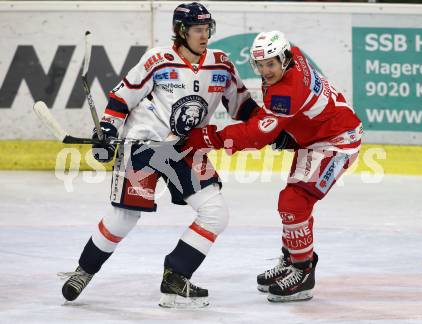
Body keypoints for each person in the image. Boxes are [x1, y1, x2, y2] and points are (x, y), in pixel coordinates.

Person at [59, 2, 258, 308]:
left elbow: (243, 108)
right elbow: (122, 97)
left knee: (215, 212)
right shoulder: (158, 59)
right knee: (124, 217)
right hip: (144, 146)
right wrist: (108, 131)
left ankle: (175, 277)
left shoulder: (221, 65)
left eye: (207, 29)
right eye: (197, 30)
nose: (204, 36)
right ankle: (84, 270)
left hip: (186, 147)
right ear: (181, 31)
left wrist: (274, 126)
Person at [184, 30, 363, 303]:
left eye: (271, 64)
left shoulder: (287, 93)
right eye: (260, 65)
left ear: (284, 59)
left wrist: (207, 137)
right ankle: (294, 259)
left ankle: (303, 272)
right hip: (316, 137)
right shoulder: (294, 55)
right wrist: (288, 130)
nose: (266, 71)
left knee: (293, 202)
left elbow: (256, 137)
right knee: (292, 203)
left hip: (337, 142)